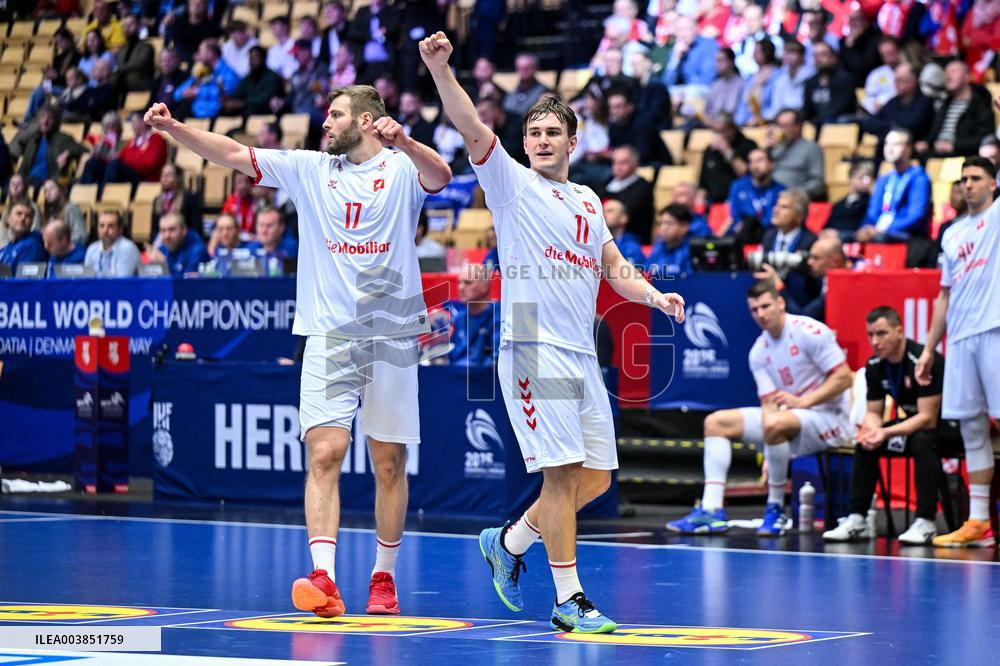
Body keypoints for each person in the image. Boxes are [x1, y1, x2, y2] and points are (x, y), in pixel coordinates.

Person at [145, 81, 451, 613]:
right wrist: (174, 130)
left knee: (389, 463)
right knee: (325, 451)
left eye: (335, 115)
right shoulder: (311, 169)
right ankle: (325, 578)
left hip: (394, 335)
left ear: (366, 120)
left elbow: (441, 177)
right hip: (330, 334)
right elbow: (235, 154)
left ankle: (383, 577)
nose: (325, 123)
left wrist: (404, 141)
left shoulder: (401, 167)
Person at [421, 30, 685, 634]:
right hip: (532, 342)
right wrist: (441, 71)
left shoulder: (589, 199)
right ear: (524, 143)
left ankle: (510, 542)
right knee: (561, 474)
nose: (541, 141)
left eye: (551, 133)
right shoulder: (511, 184)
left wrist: (654, 295)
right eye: (533, 133)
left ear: (573, 140)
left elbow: (614, 269)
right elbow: (469, 124)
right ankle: (569, 598)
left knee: (594, 477)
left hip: (579, 351)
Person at [668, 280, 853, 535]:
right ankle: (711, 510)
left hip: (830, 419)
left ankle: (775, 508)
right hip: (789, 420)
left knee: (776, 423)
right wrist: (769, 443)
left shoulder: (810, 331)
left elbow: (844, 377)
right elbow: (768, 404)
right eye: (754, 310)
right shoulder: (758, 351)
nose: (761, 314)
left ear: (780, 303)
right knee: (716, 422)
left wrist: (803, 403)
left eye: (766, 306)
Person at [824, 306, 964, 544]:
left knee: (923, 440)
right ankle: (857, 518)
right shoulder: (875, 366)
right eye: (870, 335)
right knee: (866, 444)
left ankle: (926, 522)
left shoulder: (922, 359)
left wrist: (884, 432)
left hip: (949, 428)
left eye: (882, 333)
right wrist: (871, 431)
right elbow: (873, 412)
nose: (875, 341)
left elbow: (927, 418)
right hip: (913, 426)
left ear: (899, 331)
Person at [917, 156, 1000, 548]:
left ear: (992, 183)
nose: (967, 185)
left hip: (995, 330)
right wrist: (929, 349)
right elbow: (943, 296)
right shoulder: (950, 233)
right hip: (962, 337)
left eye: (976, 178)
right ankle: (979, 521)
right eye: (963, 178)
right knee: (970, 426)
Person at [859, 129, 931, 242]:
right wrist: (866, 229)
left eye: (896, 144)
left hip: (905, 234)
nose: (890, 148)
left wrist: (885, 229)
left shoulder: (919, 178)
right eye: (887, 144)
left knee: (879, 238)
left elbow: (916, 216)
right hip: (880, 229)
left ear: (908, 149)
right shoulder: (884, 179)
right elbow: (872, 212)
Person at [447, 262, 501, 366]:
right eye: (459, 282)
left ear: (485, 287)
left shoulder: (500, 317)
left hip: (485, 379)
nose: (460, 287)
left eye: (468, 282)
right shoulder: (459, 318)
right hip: (457, 378)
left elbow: (495, 362)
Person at [597, 145, 654, 243]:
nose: (618, 167)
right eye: (615, 162)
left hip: (632, 239)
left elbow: (625, 212)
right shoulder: (607, 182)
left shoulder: (643, 186)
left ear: (635, 164)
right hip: (605, 235)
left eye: (623, 162)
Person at [726, 148, 784, 239]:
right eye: (751, 162)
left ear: (771, 164)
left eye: (760, 161)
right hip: (743, 233)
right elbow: (734, 215)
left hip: (768, 234)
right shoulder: (738, 186)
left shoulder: (781, 190)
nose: (755, 166)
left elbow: (776, 219)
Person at [768, 108, 825, 201]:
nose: (782, 130)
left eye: (786, 125)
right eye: (779, 125)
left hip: (793, 198)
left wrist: (795, 192)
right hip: (768, 195)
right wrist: (768, 150)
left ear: (798, 126)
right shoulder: (775, 147)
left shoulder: (811, 148)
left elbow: (818, 184)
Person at [145, 211, 209, 275]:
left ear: (184, 231)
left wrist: (165, 264)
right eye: (163, 231)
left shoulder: (198, 251)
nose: (167, 236)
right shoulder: (164, 248)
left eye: (172, 230)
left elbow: (188, 283)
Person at [84, 210, 140, 277]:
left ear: (120, 229)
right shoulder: (92, 249)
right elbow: (86, 280)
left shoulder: (127, 248)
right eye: (101, 226)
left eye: (110, 226)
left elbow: (122, 284)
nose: (105, 230)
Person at [825, 161, 873, 239]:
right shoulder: (839, 204)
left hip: (851, 237)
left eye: (868, 178)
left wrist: (837, 234)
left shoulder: (870, 202)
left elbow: (861, 228)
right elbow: (828, 225)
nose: (866, 182)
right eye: (861, 178)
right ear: (851, 179)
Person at [645, 204, 693, 277]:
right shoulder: (657, 248)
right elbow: (646, 274)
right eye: (660, 223)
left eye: (669, 223)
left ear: (684, 226)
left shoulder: (691, 251)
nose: (663, 228)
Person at [0, 203, 46, 273]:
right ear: (8, 219)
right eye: (19, 214)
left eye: (28, 216)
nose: (23, 218)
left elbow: (24, 282)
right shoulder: (5, 249)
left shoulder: (32, 245)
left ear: (32, 222)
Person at [602, 198, 645, 266]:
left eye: (610, 211)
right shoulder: (597, 241)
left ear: (623, 218)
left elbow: (631, 275)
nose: (603, 215)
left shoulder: (631, 247)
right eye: (603, 211)